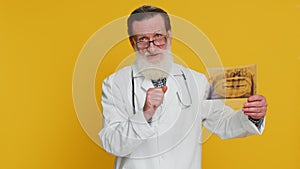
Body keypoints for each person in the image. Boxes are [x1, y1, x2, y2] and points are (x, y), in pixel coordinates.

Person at [99, 5, 267, 169]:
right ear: (132, 43)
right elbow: (112, 144)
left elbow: (223, 123)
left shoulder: (197, 81)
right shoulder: (114, 84)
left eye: (158, 36)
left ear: (169, 36)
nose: (152, 47)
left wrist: (253, 116)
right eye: (142, 40)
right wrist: (145, 114)